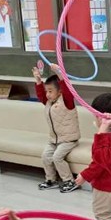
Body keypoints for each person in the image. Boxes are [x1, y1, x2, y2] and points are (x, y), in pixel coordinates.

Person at [75, 93, 111, 220]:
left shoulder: (103, 139)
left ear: (100, 117)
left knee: (102, 213)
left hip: (104, 186)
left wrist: (85, 175)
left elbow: (99, 163)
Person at [33, 64, 81, 193]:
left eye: (50, 91)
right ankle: (51, 180)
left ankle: (69, 181)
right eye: (46, 91)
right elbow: (41, 95)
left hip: (68, 139)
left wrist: (59, 73)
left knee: (57, 157)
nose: (47, 94)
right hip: (54, 140)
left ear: (59, 92)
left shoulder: (67, 101)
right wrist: (38, 80)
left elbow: (67, 89)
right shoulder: (48, 102)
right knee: (45, 156)